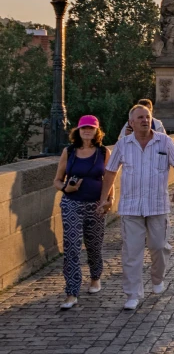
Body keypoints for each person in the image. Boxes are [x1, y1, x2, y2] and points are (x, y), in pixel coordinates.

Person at [101, 105, 174, 311]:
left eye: (148, 117)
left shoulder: (165, 141)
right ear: (131, 122)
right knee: (132, 252)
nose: (145, 120)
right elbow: (110, 172)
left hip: (157, 205)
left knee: (159, 246)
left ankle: (157, 278)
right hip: (130, 207)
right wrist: (104, 198)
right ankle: (132, 294)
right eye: (140, 118)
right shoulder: (123, 145)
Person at [53, 116, 112, 310]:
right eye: (84, 128)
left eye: (91, 128)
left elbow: (109, 180)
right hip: (72, 204)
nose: (87, 131)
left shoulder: (104, 152)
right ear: (78, 130)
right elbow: (57, 180)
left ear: (97, 131)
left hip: (95, 205)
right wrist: (65, 189)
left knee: (94, 245)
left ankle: (95, 278)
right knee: (71, 247)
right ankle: (71, 292)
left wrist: (109, 201)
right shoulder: (69, 152)